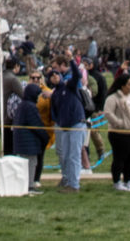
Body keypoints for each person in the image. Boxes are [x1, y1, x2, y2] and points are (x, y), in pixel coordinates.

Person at [49, 61, 90, 190]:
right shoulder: (55, 94)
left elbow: (77, 75)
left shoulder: (70, 86)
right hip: (64, 128)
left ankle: (74, 184)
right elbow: (54, 113)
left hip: (77, 124)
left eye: (56, 74)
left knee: (74, 155)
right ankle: (67, 181)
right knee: (65, 156)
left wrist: (71, 60)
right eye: (51, 76)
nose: (54, 76)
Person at [102, 75, 130, 191]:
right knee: (119, 158)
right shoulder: (113, 98)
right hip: (119, 134)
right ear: (122, 85)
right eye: (129, 84)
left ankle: (128, 180)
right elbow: (108, 113)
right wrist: (121, 123)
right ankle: (117, 181)